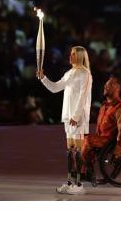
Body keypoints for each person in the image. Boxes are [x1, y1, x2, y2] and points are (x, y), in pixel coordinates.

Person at [37, 46, 92, 195]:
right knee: (70, 151)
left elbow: (83, 96)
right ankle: (69, 182)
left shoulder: (85, 74)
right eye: (70, 54)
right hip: (68, 117)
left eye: (73, 54)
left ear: (80, 56)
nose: (70, 56)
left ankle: (79, 184)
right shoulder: (69, 73)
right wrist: (43, 78)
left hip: (78, 118)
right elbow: (55, 88)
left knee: (79, 151)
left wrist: (76, 115)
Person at [82, 77, 121, 183]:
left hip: (110, 140)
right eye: (105, 84)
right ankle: (85, 170)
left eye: (109, 85)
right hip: (101, 138)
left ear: (117, 88)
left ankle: (85, 172)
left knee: (87, 140)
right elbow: (99, 127)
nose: (105, 86)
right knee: (82, 138)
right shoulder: (104, 105)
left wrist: (118, 151)